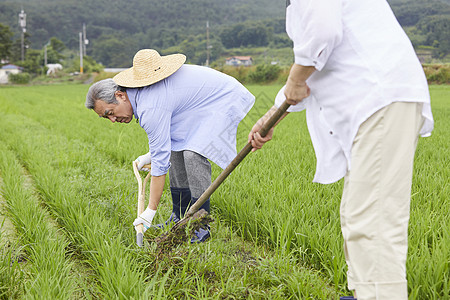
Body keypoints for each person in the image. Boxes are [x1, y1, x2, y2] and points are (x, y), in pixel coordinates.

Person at [248, 1, 433, 299]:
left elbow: (322, 32)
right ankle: (364, 292)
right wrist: (270, 118)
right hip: (374, 103)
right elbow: (311, 70)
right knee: (356, 213)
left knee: (374, 220)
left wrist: (296, 79)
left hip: (379, 97)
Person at [86, 49, 255, 242]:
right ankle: (179, 216)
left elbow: (160, 166)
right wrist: (152, 154)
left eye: (110, 112)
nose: (113, 120)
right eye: (106, 117)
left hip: (222, 99)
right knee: (176, 151)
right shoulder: (142, 96)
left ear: (120, 95)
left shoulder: (150, 106)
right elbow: (164, 146)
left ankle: (201, 226)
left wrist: (150, 210)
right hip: (197, 104)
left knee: (193, 155)